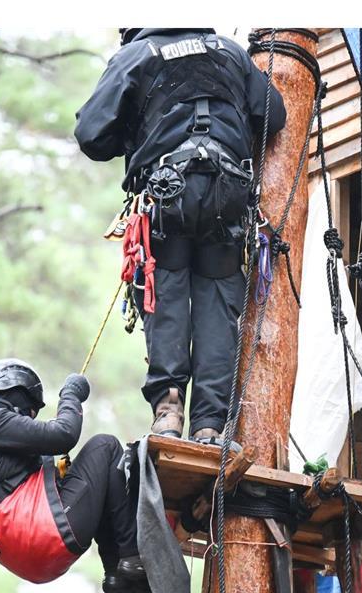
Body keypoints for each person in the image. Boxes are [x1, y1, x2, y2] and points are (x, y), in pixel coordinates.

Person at [75, 28, 287, 442]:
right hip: (226, 199)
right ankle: (210, 425)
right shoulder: (229, 52)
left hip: (165, 197)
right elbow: (273, 116)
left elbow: (92, 135)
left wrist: (138, 130)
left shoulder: (136, 56)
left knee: (164, 294)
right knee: (216, 303)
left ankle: (169, 410)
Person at [0, 358, 149, 593]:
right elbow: (63, 434)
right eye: (31, 411)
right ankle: (129, 556)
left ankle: (116, 574)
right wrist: (70, 395)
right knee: (105, 447)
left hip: (20, 554)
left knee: (99, 478)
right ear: (16, 394)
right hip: (41, 536)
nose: (30, 418)